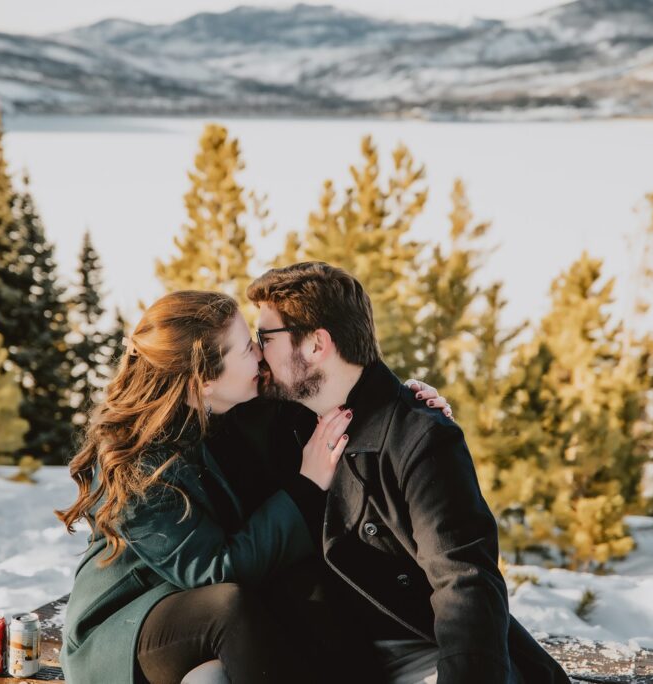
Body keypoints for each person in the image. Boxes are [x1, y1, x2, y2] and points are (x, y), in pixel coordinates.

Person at [55, 290, 451, 684]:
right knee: (227, 607)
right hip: (129, 624)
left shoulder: (234, 410)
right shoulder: (137, 464)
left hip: (203, 599)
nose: (260, 355)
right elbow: (213, 570)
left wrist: (403, 407)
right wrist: (306, 486)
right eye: (247, 348)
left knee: (308, 584)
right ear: (204, 381)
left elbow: (327, 398)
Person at [233, 261, 571, 684]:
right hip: (324, 647)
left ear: (317, 345)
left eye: (266, 338)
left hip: (417, 648)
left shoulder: (419, 437)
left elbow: (464, 580)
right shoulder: (287, 417)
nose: (257, 352)